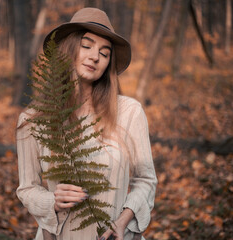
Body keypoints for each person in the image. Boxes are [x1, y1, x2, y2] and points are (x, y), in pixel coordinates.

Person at [16, 7, 157, 240]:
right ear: (69, 48)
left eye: (104, 52)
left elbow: (146, 180)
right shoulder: (34, 119)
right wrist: (52, 201)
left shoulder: (129, 112)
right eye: (87, 45)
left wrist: (123, 222)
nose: (95, 57)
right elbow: (27, 189)